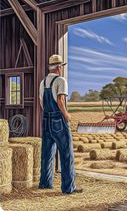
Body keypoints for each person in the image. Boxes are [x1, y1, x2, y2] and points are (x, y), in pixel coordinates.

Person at [39, 54, 82, 194]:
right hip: (58, 119)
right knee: (66, 153)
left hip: (46, 119)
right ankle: (68, 187)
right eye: (61, 67)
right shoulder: (61, 81)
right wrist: (67, 115)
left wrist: (48, 115)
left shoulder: (43, 82)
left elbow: (41, 103)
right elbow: (60, 101)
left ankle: (45, 183)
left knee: (47, 153)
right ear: (58, 68)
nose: (62, 69)